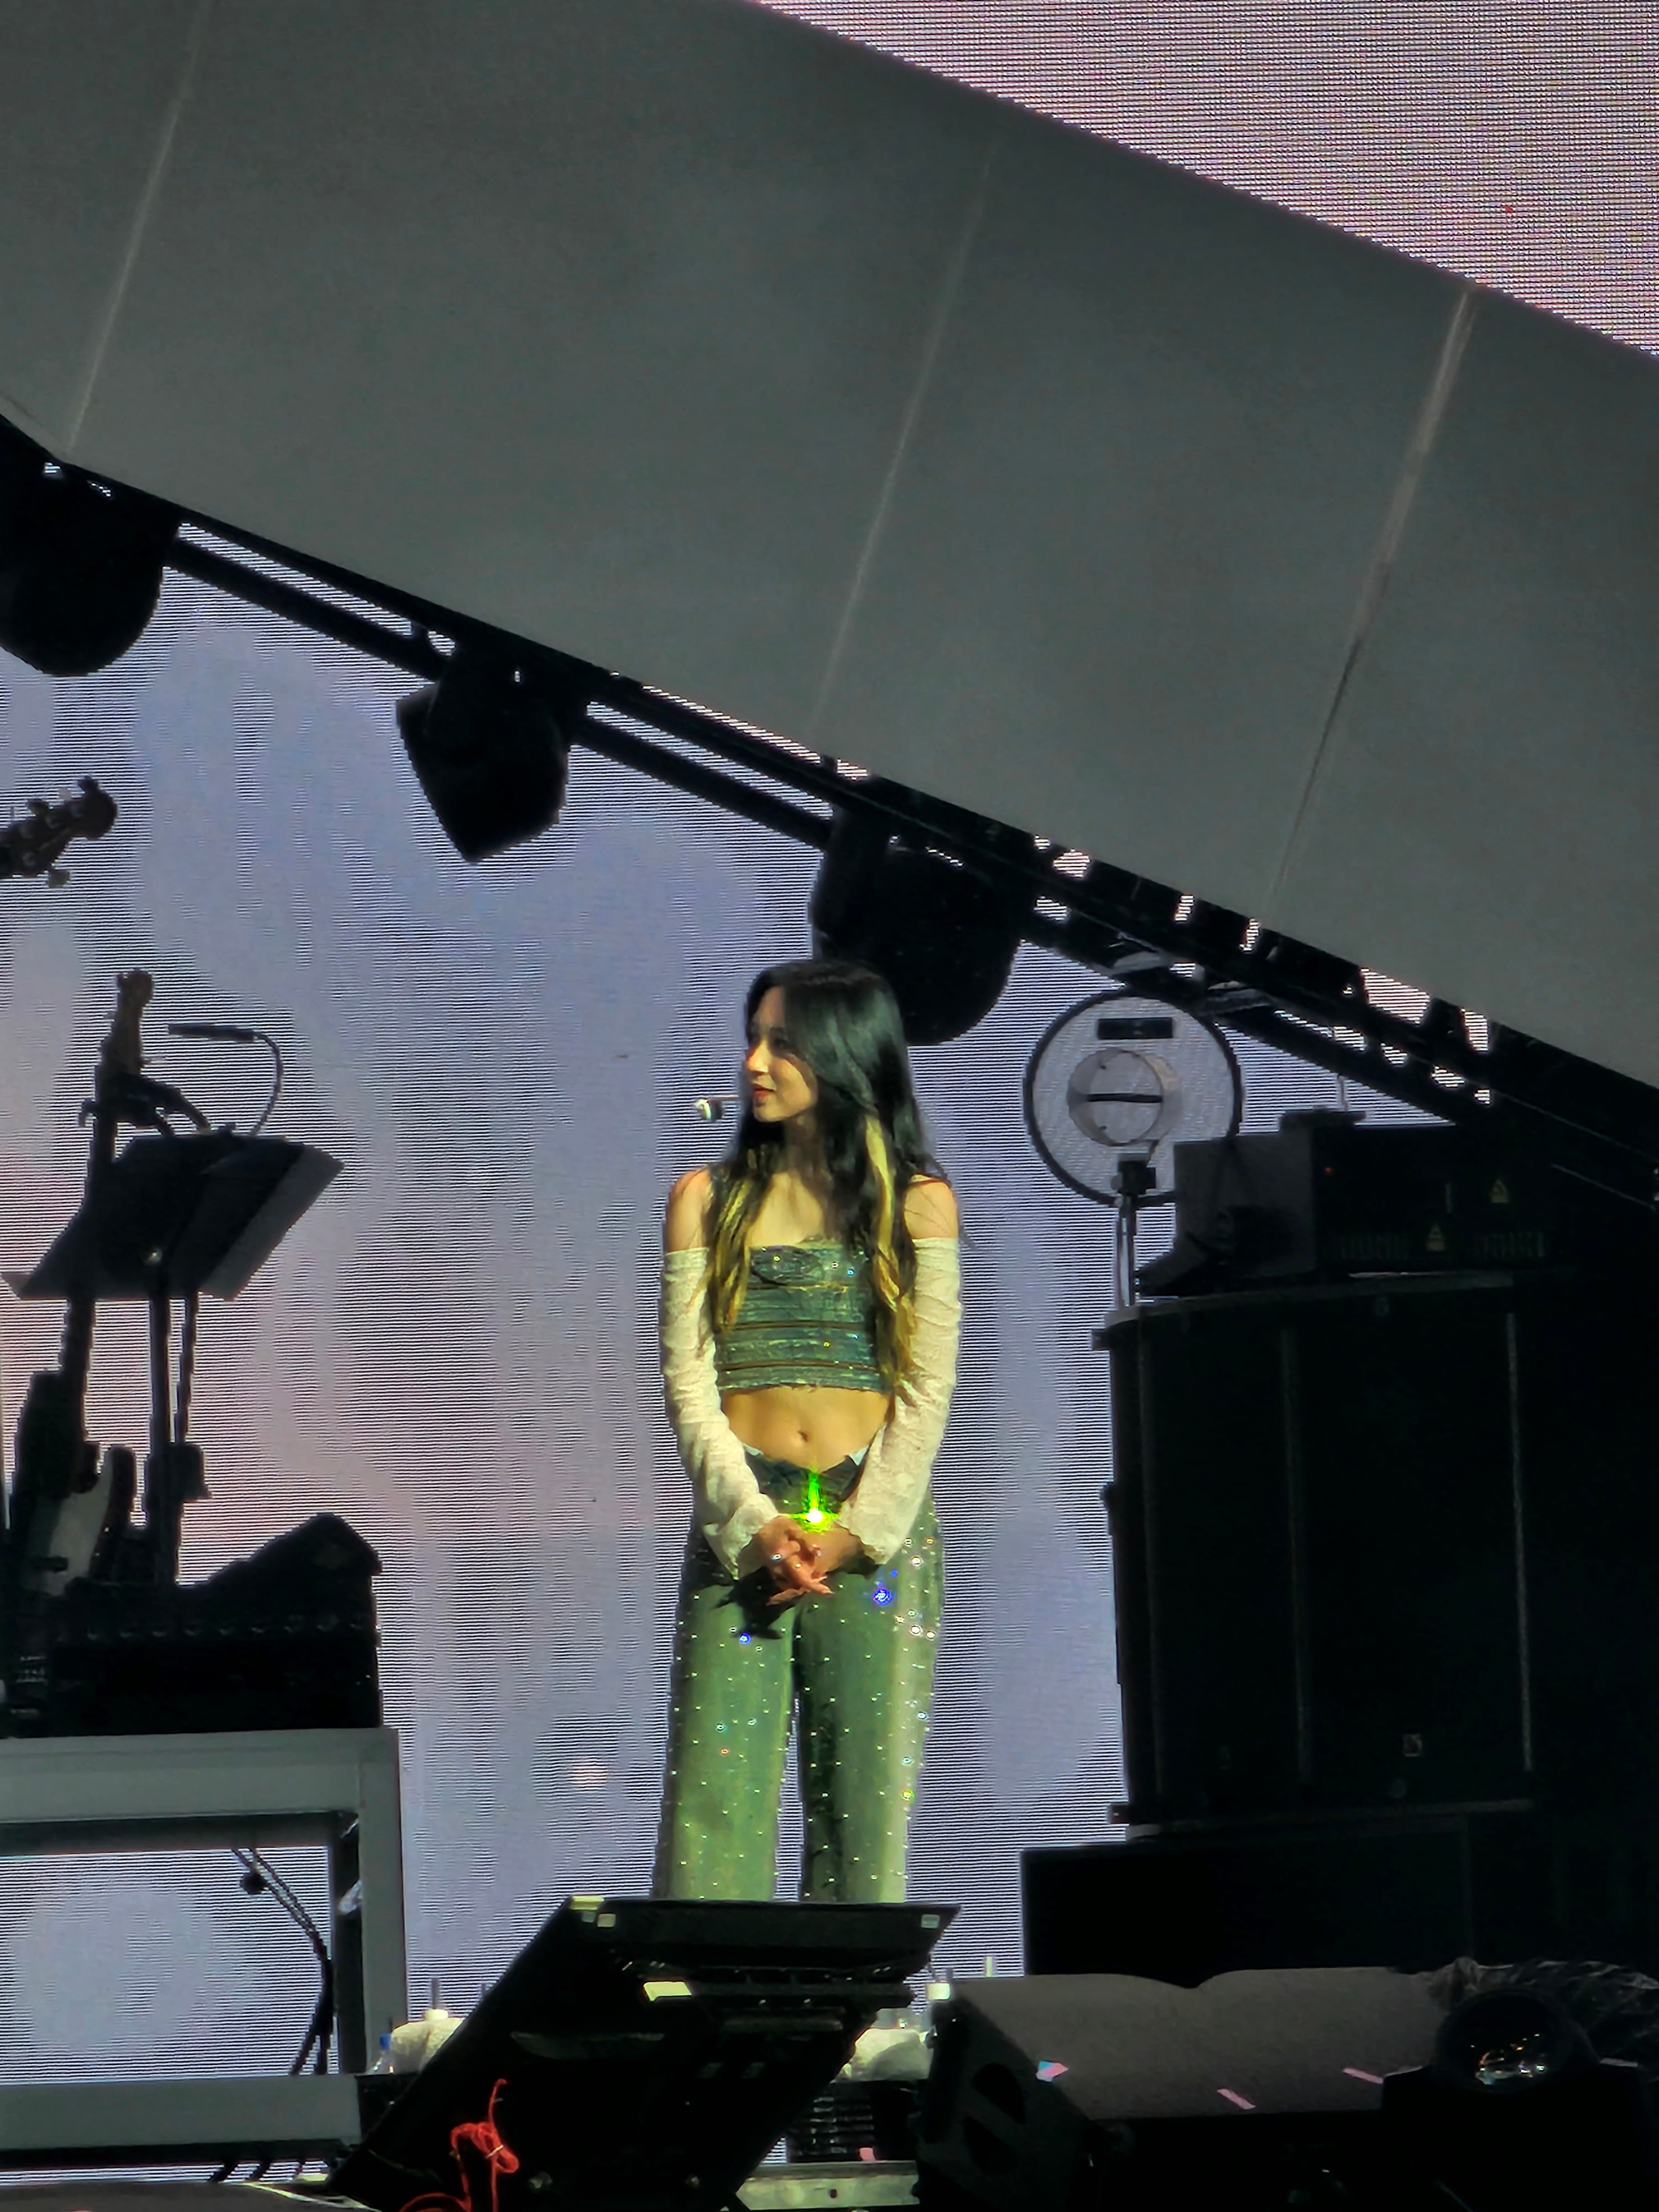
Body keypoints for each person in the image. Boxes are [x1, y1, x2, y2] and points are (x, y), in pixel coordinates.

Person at [653, 957, 961, 1902]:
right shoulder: (706, 1198)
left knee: (863, 1825)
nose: (755, 1063)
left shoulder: (917, 1203)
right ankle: (712, 1996)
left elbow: (927, 1390)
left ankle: (849, 1995)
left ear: (844, 1054)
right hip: (746, 1527)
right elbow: (688, 1383)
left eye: (782, 1043)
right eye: (753, 1038)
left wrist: (857, 1532)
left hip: (870, 1536)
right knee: (714, 1815)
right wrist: (754, 1525)